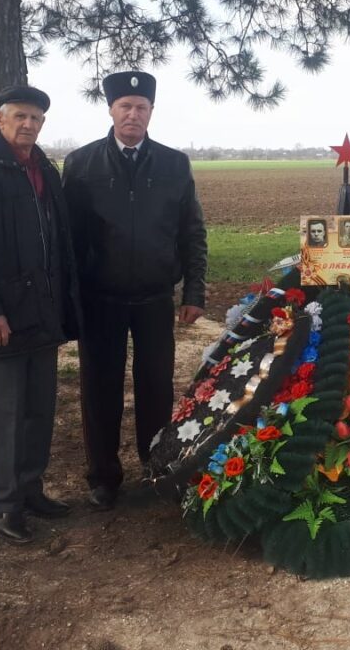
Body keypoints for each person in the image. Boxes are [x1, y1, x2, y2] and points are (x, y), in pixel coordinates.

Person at [62, 71, 208, 511]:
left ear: (150, 113)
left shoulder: (173, 164)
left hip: (153, 299)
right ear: (111, 110)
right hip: (100, 299)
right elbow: (69, 240)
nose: (133, 114)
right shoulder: (82, 164)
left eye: (141, 107)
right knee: (99, 389)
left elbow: (192, 232)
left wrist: (194, 291)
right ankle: (103, 477)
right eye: (125, 106)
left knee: (156, 388)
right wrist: (70, 300)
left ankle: (154, 467)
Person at [0, 85, 80, 544]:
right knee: (6, 414)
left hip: (42, 314)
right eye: (20, 116)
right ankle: (4, 505)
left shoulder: (44, 169)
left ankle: (31, 490)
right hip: (2, 317)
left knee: (39, 410)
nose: (29, 125)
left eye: (37, 118)